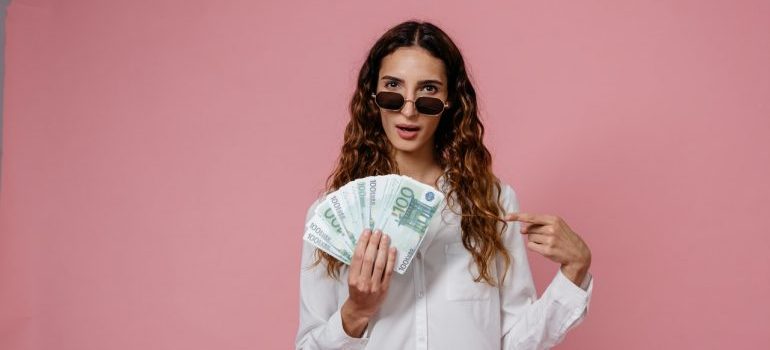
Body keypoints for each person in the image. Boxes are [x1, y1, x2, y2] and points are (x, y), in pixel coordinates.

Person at [295, 20, 593, 350]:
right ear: (373, 96)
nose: (408, 110)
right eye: (393, 87)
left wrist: (575, 271)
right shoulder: (329, 215)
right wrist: (356, 312)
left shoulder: (492, 203)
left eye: (428, 91)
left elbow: (514, 341)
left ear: (450, 100)